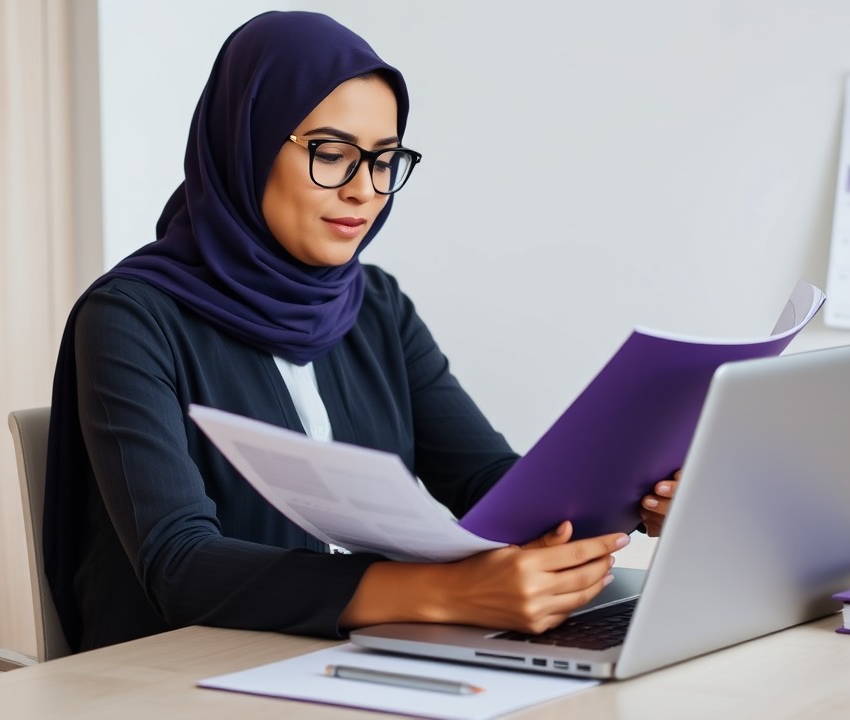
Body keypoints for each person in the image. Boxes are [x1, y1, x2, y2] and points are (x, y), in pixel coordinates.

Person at [44, 11, 679, 654]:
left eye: (383, 160)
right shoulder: (132, 317)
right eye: (332, 153)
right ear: (248, 141)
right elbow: (178, 564)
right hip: (183, 673)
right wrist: (445, 594)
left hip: (359, 655)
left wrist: (634, 498)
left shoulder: (375, 305)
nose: (364, 191)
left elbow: (486, 482)